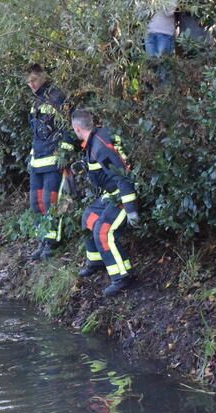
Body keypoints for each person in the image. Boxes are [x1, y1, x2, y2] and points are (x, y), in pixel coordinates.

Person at [70, 109, 138, 296]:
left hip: (123, 194)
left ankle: (123, 277)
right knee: (88, 218)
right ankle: (97, 261)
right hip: (112, 193)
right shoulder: (96, 139)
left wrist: (131, 210)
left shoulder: (99, 146)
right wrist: (84, 168)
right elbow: (103, 168)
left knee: (103, 232)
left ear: (77, 128)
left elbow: (123, 177)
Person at [25, 64, 77, 261]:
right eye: (29, 82)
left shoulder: (57, 97)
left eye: (34, 80)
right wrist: (31, 155)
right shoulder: (36, 102)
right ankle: (43, 240)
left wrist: (65, 150)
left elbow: (71, 125)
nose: (31, 85)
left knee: (51, 202)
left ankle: (52, 243)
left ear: (43, 78)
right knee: (36, 203)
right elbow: (36, 131)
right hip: (38, 159)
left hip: (54, 159)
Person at [144, 0, 178, 83]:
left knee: (164, 70)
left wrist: (156, 2)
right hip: (149, 33)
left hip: (165, 34)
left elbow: (169, 12)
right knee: (153, 68)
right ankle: (155, 94)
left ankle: (164, 93)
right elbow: (141, 12)